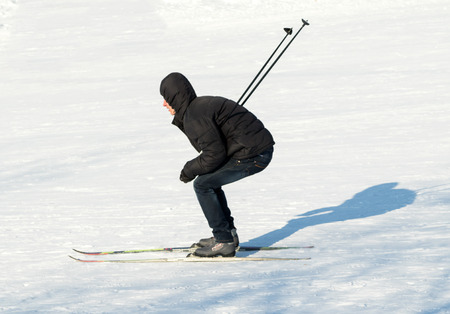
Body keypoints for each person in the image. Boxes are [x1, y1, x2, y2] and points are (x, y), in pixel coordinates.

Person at [159, 72, 274, 257]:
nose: (164, 104)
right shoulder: (196, 109)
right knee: (209, 181)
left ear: (175, 97)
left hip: (254, 153)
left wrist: (189, 169)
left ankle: (224, 241)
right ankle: (228, 235)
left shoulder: (195, 115)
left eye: (166, 99)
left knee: (202, 184)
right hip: (252, 149)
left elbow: (214, 154)